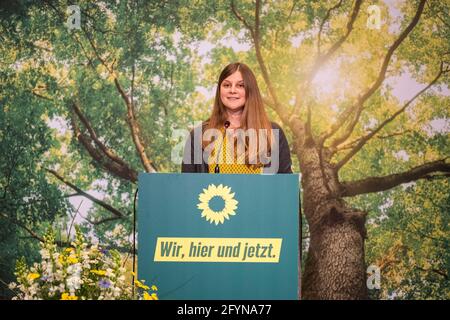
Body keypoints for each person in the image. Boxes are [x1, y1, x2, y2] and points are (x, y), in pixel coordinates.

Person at [181, 62, 292, 174]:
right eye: (227, 85)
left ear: (250, 91)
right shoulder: (198, 135)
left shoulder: (272, 132)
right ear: (220, 90)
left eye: (240, 85)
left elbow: (286, 186)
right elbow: (186, 186)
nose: (232, 90)